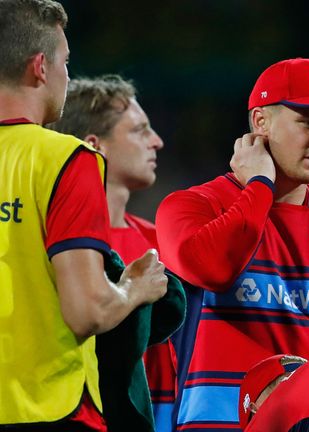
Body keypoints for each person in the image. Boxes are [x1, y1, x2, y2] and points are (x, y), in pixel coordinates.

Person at [155, 58, 309, 430]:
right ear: (260, 122)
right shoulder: (191, 207)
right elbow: (213, 268)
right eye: (308, 123)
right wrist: (259, 186)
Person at [0, 1, 167, 430]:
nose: (67, 76)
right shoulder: (63, 157)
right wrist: (134, 287)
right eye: (66, 63)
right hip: (49, 407)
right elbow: (87, 310)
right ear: (40, 67)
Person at [47, 75, 177, 432]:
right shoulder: (64, 253)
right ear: (94, 146)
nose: (157, 141)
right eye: (140, 130)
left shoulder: (161, 242)